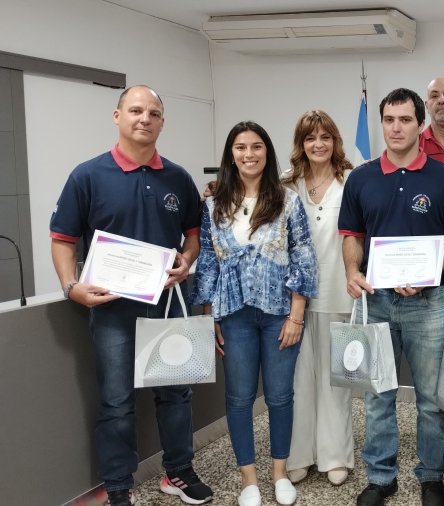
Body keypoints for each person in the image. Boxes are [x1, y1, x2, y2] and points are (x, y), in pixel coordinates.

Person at [50, 85, 213, 506]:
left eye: (153, 113)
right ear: (117, 115)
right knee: (117, 400)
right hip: (111, 310)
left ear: (162, 122)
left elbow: (193, 236)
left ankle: (177, 471)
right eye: (136, 110)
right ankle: (119, 486)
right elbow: (63, 239)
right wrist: (72, 287)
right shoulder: (87, 175)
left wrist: (187, 260)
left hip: (165, 305)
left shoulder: (178, 178)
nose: (145, 118)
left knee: (176, 393)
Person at [339, 88, 444, 506]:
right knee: (379, 395)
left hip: (429, 303)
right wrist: (352, 271)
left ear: (420, 124)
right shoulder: (361, 178)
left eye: (405, 120)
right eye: (389, 120)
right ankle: (381, 477)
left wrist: (429, 273)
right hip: (376, 301)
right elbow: (352, 236)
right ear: (382, 124)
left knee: (431, 399)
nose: (397, 128)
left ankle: (432, 476)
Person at [192, 121, 318, 506]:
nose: (249, 154)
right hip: (234, 315)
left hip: (279, 313)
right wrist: (209, 315)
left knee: (280, 396)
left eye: (257, 146)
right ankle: (249, 479)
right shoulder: (214, 204)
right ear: (231, 154)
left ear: (267, 151)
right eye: (241, 147)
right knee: (239, 397)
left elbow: (303, 257)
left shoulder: (286, 200)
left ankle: (279, 474)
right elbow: (210, 262)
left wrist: (297, 314)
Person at [282, 110, 355, 486]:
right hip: (294, 299)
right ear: (301, 144)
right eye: (311, 138)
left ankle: (335, 455)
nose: (319, 144)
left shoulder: (351, 182)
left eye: (325, 137)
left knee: (334, 382)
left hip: (338, 294)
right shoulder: (287, 186)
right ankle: (299, 455)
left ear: (335, 141)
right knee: (297, 381)